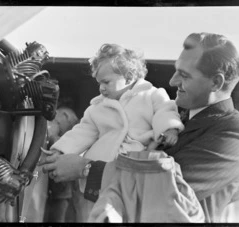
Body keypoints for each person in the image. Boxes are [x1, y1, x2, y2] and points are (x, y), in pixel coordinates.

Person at [39, 33, 239, 222]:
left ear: (216, 83)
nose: (172, 82)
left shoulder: (236, 134)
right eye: (176, 71)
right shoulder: (172, 112)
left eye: (184, 75)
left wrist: (84, 168)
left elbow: (161, 186)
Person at [41, 43, 184, 221]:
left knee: (122, 212)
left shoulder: (151, 95)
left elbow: (165, 110)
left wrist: (169, 128)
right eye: (99, 82)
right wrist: (61, 150)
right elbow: (83, 131)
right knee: (91, 212)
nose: (101, 88)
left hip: (130, 166)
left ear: (129, 76)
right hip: (98, 169)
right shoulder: (98, 107)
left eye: (106, 82)